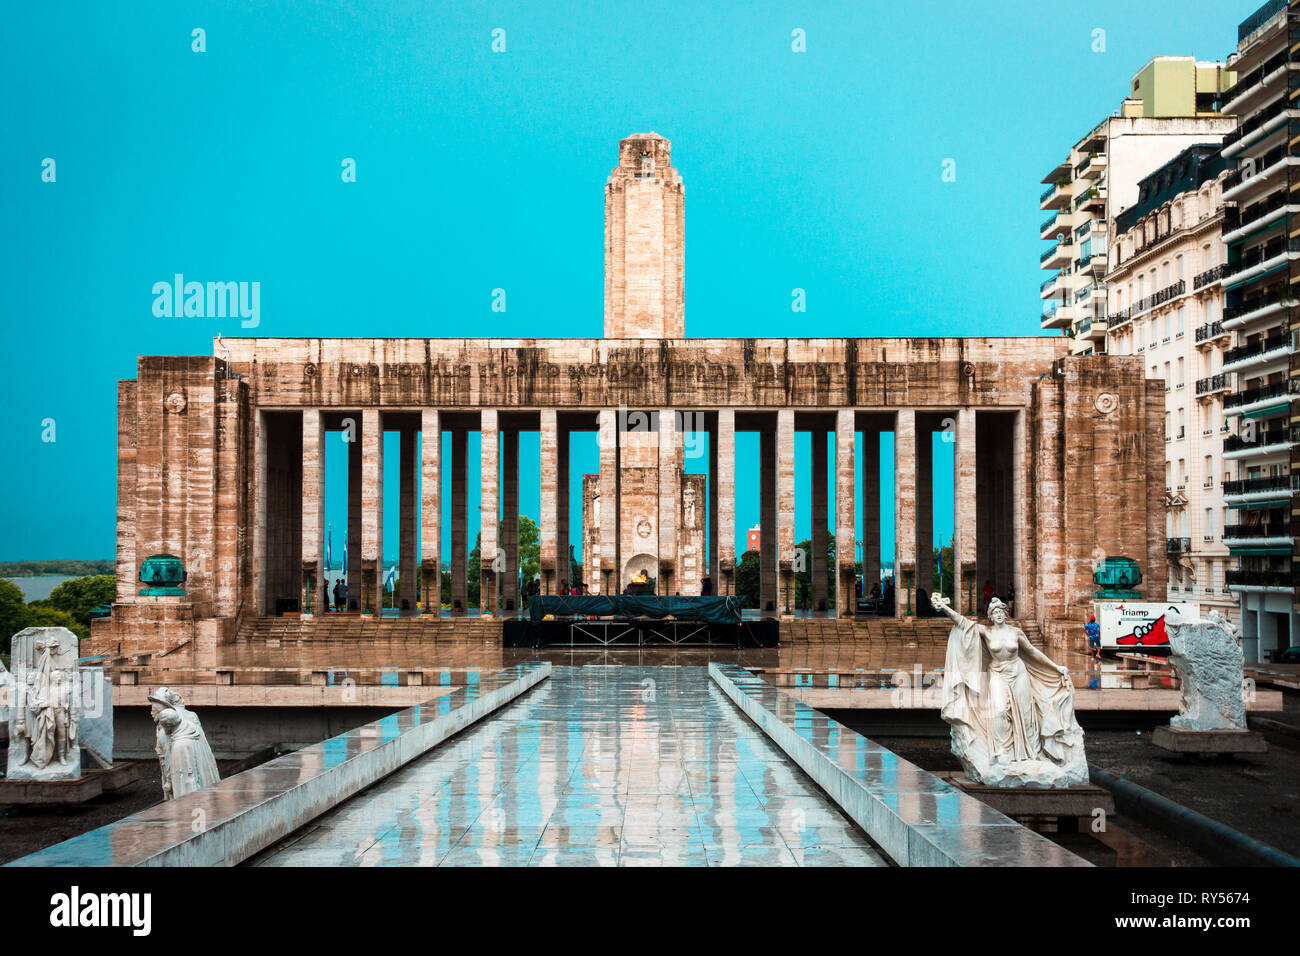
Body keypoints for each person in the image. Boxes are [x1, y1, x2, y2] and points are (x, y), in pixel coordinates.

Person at [931, 593, 1087, 786]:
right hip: (997, 673)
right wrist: (944, 608)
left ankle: (1030, 754)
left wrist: (1056, 668)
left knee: (1025, 712)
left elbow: (1032, 652)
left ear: (1006, 614)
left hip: (1018, 672)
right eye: (994, 612)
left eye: (1001, 611)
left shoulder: (1016, 632)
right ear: (990, 615)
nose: (998, 615)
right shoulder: (986, 632)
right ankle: (1001, 752)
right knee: (999, 710)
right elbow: (963, 623)